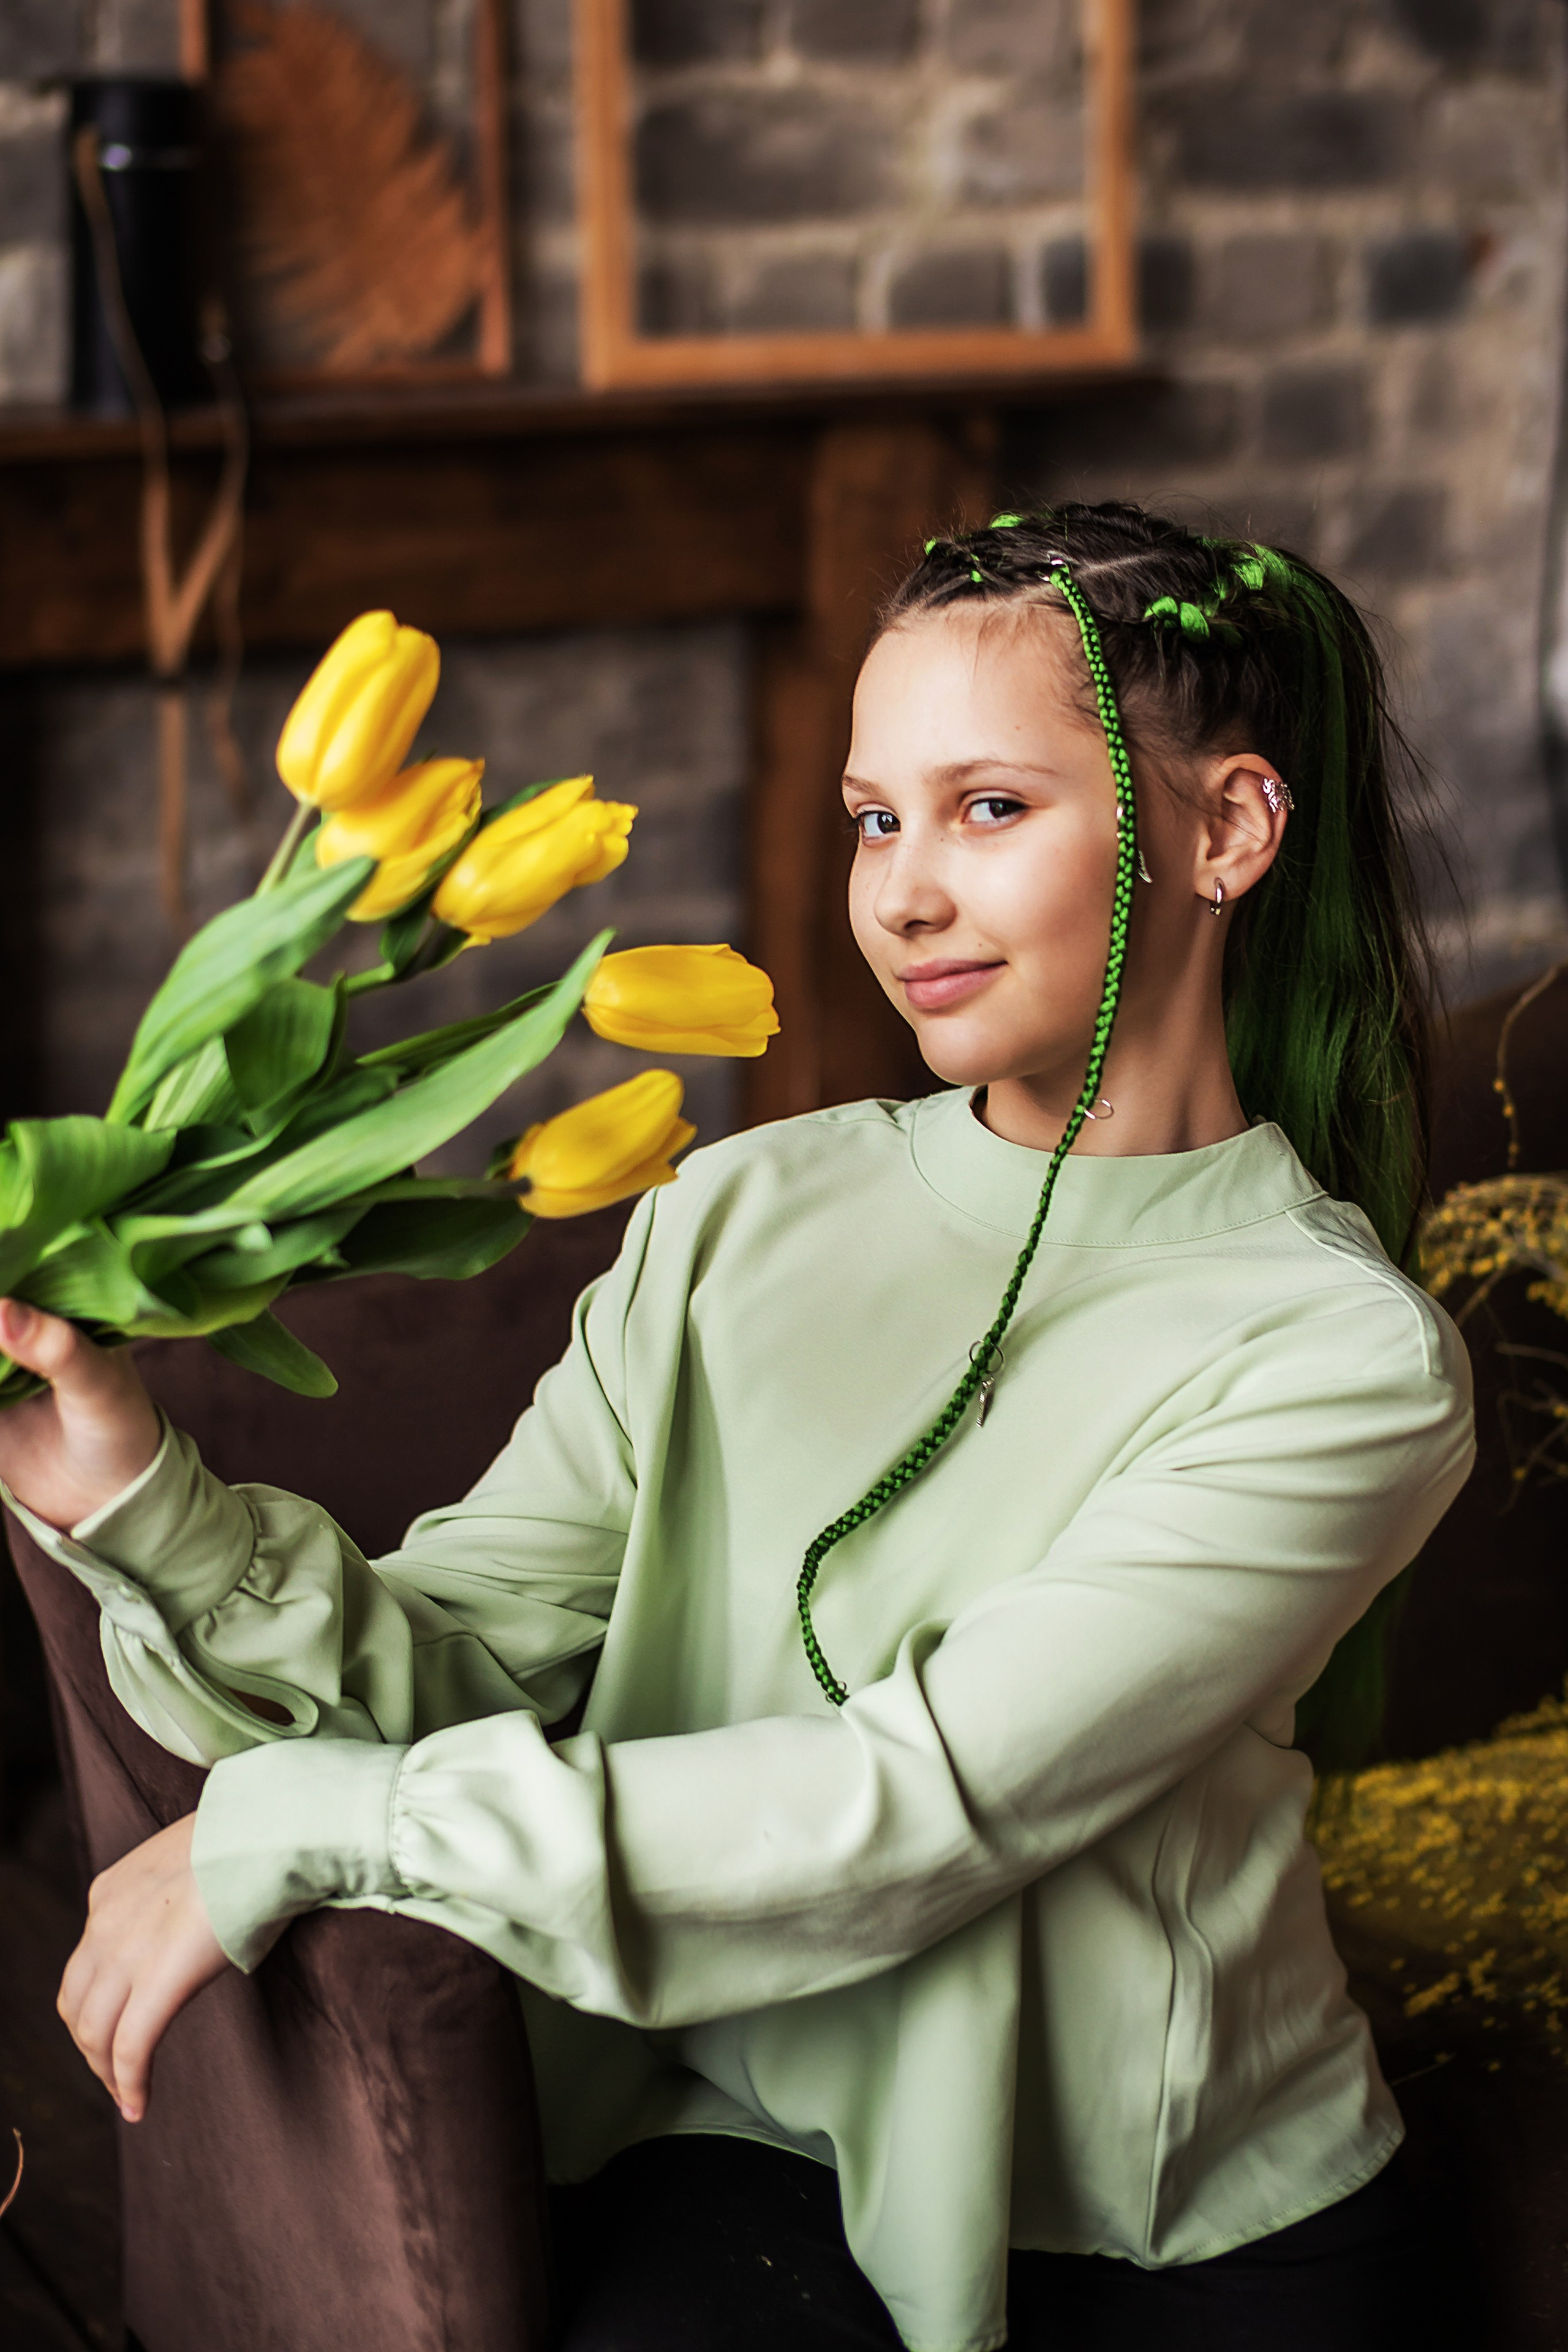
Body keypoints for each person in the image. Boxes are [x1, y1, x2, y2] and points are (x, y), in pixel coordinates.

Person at [0, 505, 1473, 2352]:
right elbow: (454, 1659)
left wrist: (312, 1825)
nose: (903, 895)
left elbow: (912, 1812)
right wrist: (144, 1498)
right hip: (735, 2144)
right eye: (875, 818)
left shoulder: (1339, 1360)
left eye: (990, 808)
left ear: (1226, 829)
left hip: (1164, 2244)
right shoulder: (742, 1212)